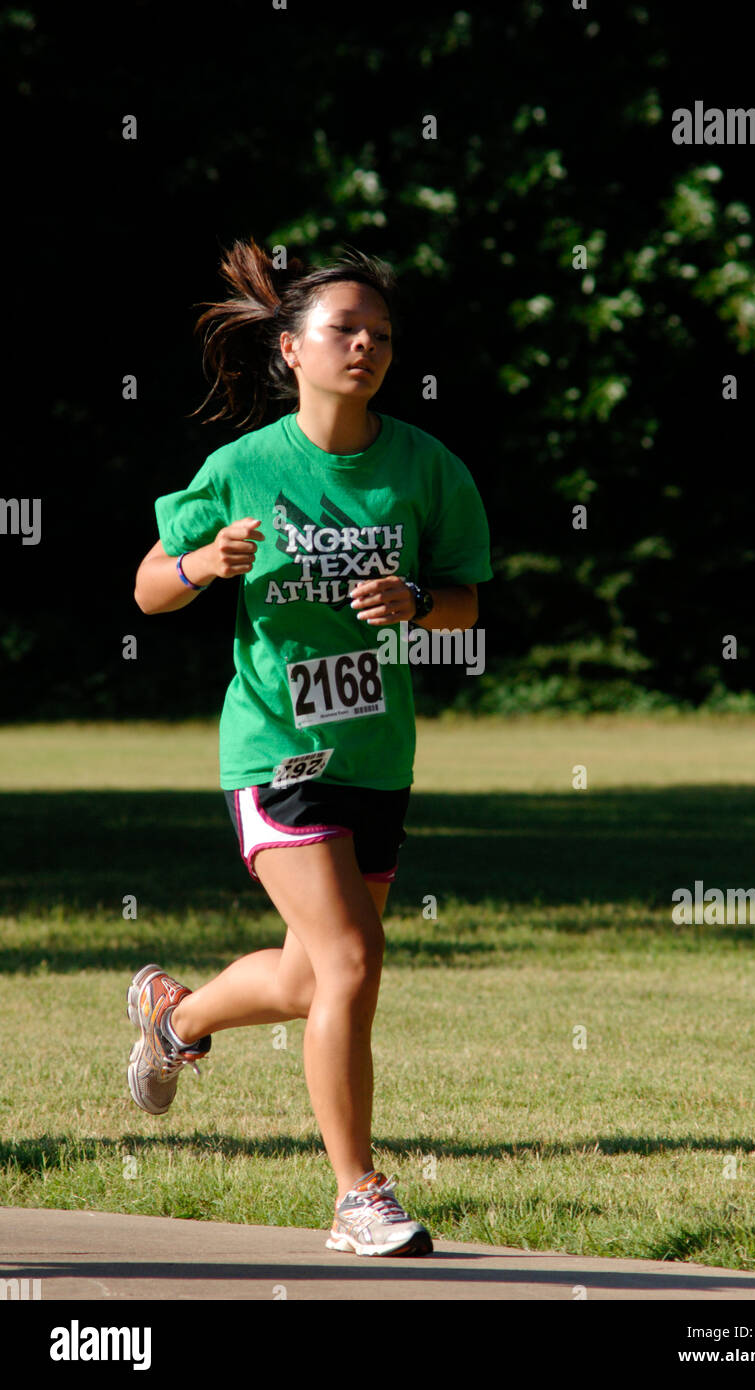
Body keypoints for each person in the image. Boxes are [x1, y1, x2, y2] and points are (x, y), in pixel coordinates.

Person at [128, 237, 493, 1257]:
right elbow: (149, 589)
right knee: (349, 959)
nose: (365, 346)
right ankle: (356, 1194)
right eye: (344, 330)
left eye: (379, 334)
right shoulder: (243, 467)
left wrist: (417, 602)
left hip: (373, 753)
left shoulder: (425, 467)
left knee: (309, 978)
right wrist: (204, 560)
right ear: (290, 349)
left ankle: (176, 1014)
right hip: (274, 747)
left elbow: (465, 605)